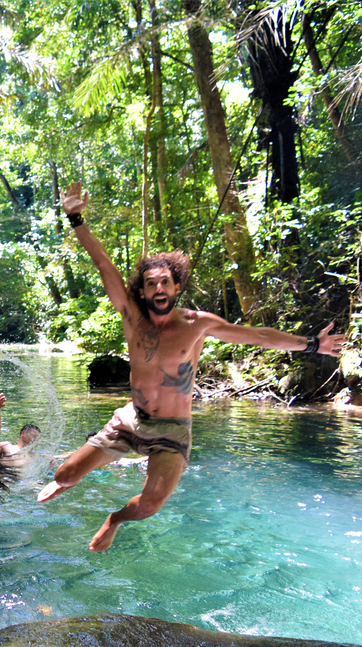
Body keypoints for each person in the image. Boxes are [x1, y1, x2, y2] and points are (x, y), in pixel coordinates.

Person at [38, 181, 346, 552]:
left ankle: (115, 519)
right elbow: (103, 263)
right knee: (64, 476)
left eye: (165, 282)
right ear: (142, 291)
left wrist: (314, 344)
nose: (158, 289)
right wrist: (75, 217)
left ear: (177, 286)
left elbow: (258, 336)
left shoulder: (197, 324)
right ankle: (67, 473)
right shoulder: (132, 317)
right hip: (130, 419)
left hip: (172, 429)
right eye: (150, 284)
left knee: (150, 505)